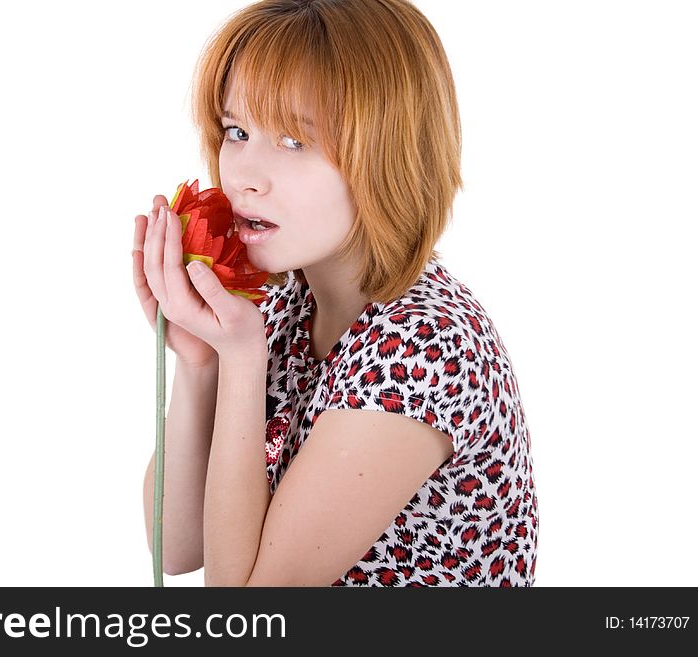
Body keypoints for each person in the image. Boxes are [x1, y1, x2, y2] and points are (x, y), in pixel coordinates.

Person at [134, 0, 537, 586]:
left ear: (388, 154)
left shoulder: (423, 349)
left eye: (294, 141)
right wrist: (202, 364)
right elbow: (174, 550)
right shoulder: (289, 303)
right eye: (237, 131)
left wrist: (243, 364)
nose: (244, 174)